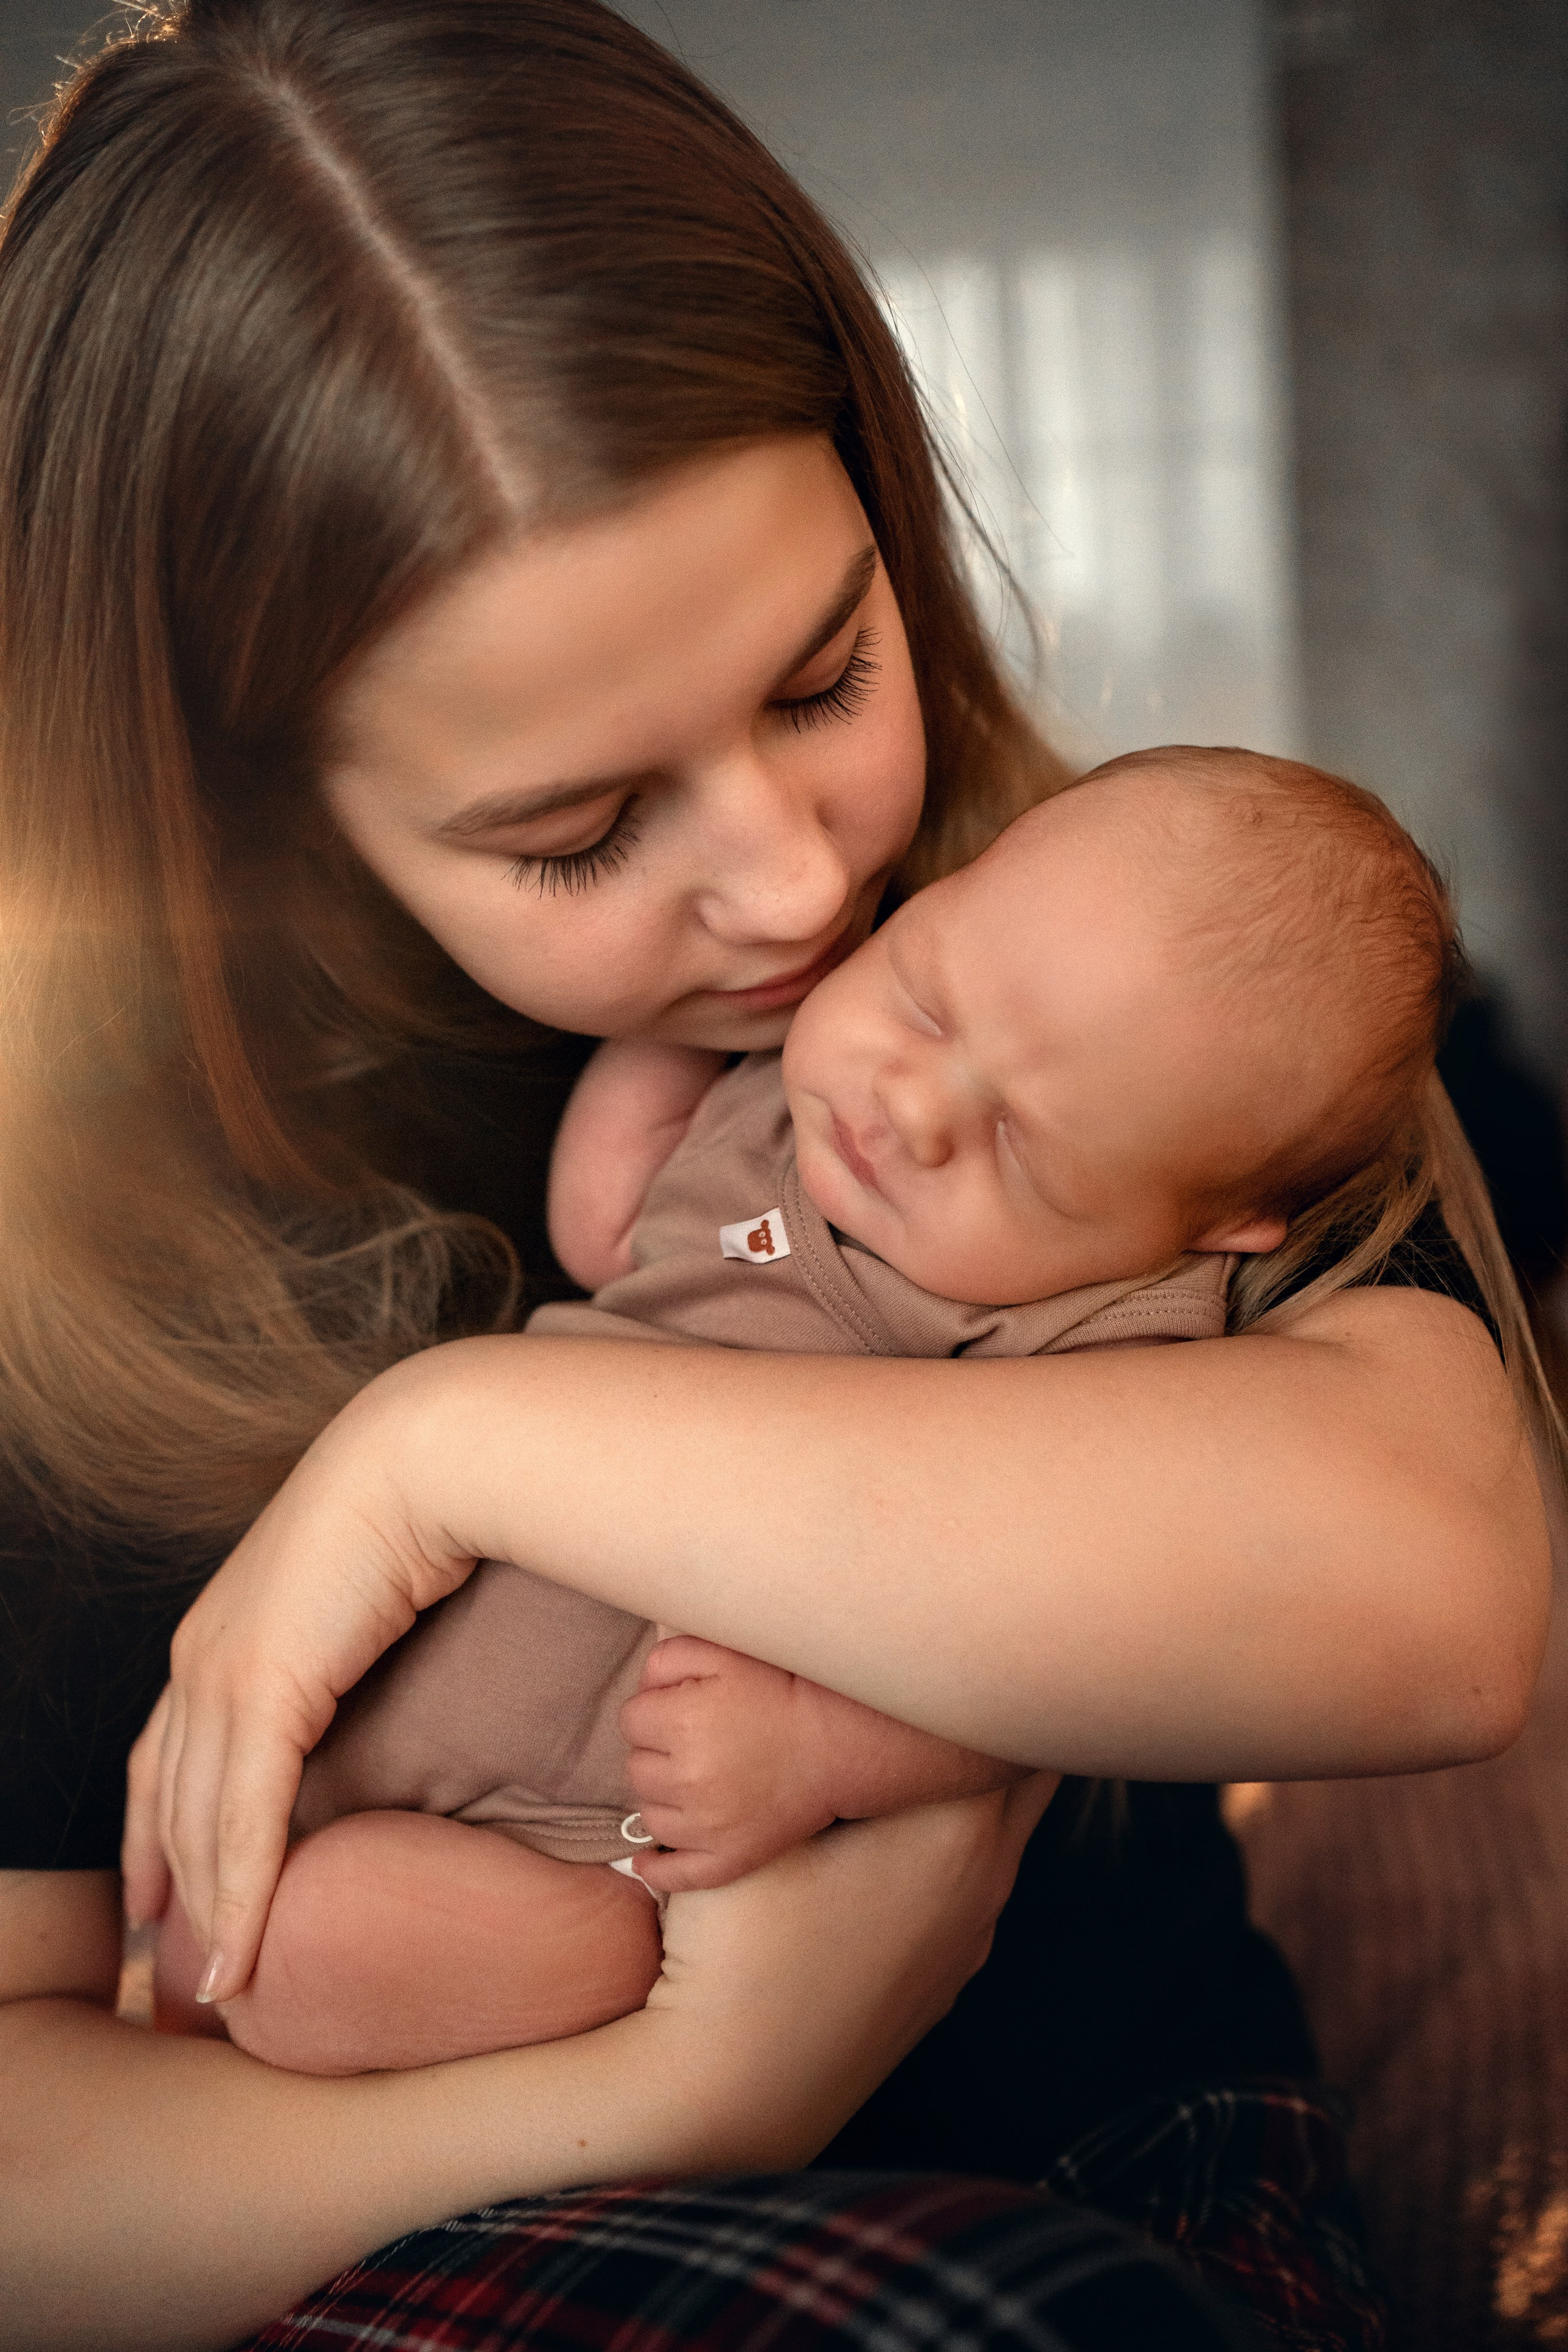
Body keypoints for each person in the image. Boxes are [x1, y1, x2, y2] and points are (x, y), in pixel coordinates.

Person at [0, 4, 1548, 2348]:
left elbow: (1440, 1595)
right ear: (241, 811)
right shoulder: (80, 1252)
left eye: (826, 677)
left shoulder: (1112, 965)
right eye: (578, 827)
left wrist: (452, 1441)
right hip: (410, 2241)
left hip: (1091, 2191)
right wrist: (694, 2089)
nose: (801, 887)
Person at [181, 745, 1516, 2084]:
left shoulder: (1100, 1335)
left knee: (336, 1962)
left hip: (575, 1835)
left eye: (1025, 1146)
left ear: (1215, 1225)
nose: (912, 1107)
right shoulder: (775, 1087)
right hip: (393, 1671)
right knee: (220, 1898)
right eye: (926, 1001)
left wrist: (824, 1755)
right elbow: (609, 1233)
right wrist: (661, 1043)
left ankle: (464, 1990)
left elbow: (1053, 1660)